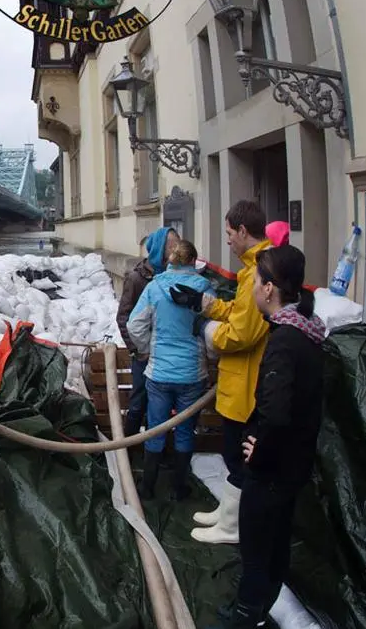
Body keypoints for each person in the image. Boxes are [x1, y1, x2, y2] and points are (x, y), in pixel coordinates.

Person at [205, 244, 327, 629]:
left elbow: (275, 411)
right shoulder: (307, 332)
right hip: (294, 466)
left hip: (272, 471)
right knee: (275, 547)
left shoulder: (284, 342)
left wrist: (258, 451)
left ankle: (240, 628)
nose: (253, 289)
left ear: (270, 289)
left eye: (257, 282)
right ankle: (258, 611)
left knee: (257, 549)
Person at [169, 200, 272, 544]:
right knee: (234, 455)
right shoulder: (252, 269)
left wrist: (205, 328)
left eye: (229, 233)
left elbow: (242, 332)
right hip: (238, 381)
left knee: (238, 455)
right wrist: (203, 304)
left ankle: (233, 525)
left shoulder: (260, 272)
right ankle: (229, 513)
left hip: (247, 385)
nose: (227, 240)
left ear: (243, 231)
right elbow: (238, 311)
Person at [126, 239, 210, 500]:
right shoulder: (206, 288)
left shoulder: (154, 287)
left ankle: (148, 487)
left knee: (156, 427)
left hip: (160, 372)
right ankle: (178, 488)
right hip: (192, 374)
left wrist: (146, 351)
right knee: (185, 430)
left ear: (170, 260)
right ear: (194, 262)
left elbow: (135, 325)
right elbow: (213, 331)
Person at [115, 226, 179, 438]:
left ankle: (158, 451)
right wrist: (137, 349)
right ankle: (130, 449)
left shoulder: (174, 276)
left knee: (163, 407)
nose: (175, 251)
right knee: (138, 403)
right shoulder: (136, 279)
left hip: (166, 354)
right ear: (160, 249)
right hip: (144, 355)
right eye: (171, 247)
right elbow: (123, 317)